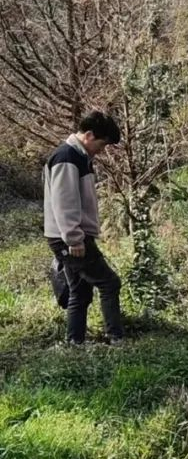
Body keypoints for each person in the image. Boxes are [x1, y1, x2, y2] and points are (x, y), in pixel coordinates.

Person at [44, 111, 124, 345]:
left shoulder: (79, 156)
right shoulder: (67, 157)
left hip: (69, 236)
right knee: (110, 283)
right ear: (89, 135)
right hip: (69, 237)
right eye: (102, 143)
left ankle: (75, 344)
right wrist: (74, 238)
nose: (102, 149)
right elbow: (64, 201)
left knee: (80, 292)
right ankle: (116, 338)